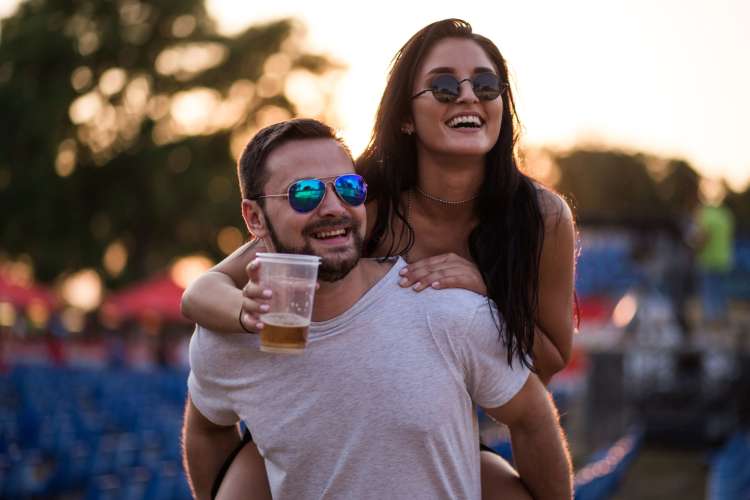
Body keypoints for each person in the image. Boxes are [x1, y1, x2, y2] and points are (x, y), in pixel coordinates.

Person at [181, 18, 577, 498]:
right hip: (312, 423)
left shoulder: (540, 216)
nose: (469, 96)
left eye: (487, 84)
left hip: (438, 413)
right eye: (445, 86)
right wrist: (247, 319)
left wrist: (482, 292)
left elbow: (551, 362)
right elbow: (204, 289)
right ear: (405, 117)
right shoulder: (360, 199)